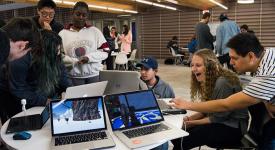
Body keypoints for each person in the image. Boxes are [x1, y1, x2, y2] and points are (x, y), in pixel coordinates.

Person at [170, 33, 275, 149]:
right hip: (234, 123)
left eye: (234, 58)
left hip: (233, 126)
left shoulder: (266, 75)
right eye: (192, 65)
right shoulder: (268, 55)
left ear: (251, 56)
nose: (230, 62)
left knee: (184, 139)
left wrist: (188, 106)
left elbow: (225, 105)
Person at [171, 49, 248, 150]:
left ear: (210, 66)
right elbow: (206, 111)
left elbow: (218, 118)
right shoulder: (209, 80)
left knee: (182, 140)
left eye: (198, 65)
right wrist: (187, 120)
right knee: (176, 135)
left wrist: (190, 123)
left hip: (234, 129)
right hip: (219, 122)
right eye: (192, 65)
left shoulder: (223, 82)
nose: (193, 69)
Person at [0, 24, 71, 123]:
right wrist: (45, 101)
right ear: (41, 51)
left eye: (59, 50)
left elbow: (63, 76)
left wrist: (68, 91)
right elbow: (18, 89)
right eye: (55, 51)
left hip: (35, 90)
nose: (58, 54)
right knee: (20, 123)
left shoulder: (54, 55)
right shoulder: (20, 59)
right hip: (12, 95)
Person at [59, 1, 109, 86]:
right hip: (73, 77)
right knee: (76, 99)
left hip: (93, 75)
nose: (81, 17)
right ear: (72, 14)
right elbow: (59, 56)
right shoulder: (62, 34)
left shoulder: (95, 31)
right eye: (78, 14)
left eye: (84, 15)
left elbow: (105, 51)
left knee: (94, 99)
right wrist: (74, 61)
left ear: (87, 16)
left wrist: (89, 58)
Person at [136, 56, 175, 150]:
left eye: (146, 69)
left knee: (159, 145)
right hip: (138, 122)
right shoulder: (135, 84)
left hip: (158, 123)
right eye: (141, 69)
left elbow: (173, 108)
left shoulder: (166, 87)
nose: (142, 72)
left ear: (155, 71)